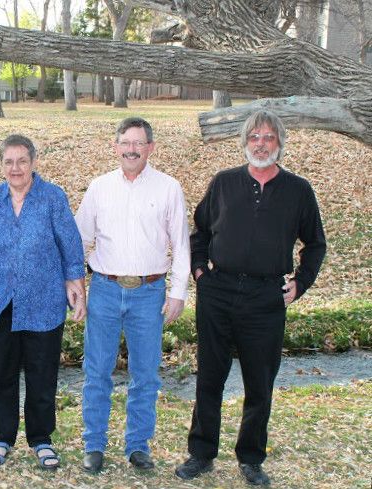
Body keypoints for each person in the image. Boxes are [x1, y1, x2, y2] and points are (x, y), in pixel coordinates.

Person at [175, 110, 326, 486]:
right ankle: (201, 452)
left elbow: (316, 244)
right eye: (254, 137)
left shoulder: (298, 190)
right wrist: (198, 271)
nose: (261, 144)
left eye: (269, 137)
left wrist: (301, 283)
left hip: (266, 298)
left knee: (260, 383)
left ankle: (251, 457)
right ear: (244, 142)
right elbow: (200, 232)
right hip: (218, 292)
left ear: (280, 143)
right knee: (210, 377)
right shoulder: (224, 183)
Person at [0, 135, 86, 470]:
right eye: (9, 162)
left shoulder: (52, 197)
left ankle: (41, 439)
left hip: (44, 299)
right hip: (1, 300)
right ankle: (2, 436)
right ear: (1, 165)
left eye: (22, 161)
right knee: (3, 374)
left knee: (42, 374)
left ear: (33, 162)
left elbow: (70, 243)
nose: (16, 168)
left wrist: (76, 284)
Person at [75, 117, 190, 473]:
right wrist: (76, 283)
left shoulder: (169, 188)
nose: (131, 149)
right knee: (97, 371)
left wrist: (178, 291)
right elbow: (78, 238)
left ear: (150, 148)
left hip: (149, 291)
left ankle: (137, 446)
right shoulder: (99, 188)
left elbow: (181, 244)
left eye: (138, 143)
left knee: (145, 374)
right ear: (115, 147)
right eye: (125, 142)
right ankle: (94, 445)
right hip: (105, 289)